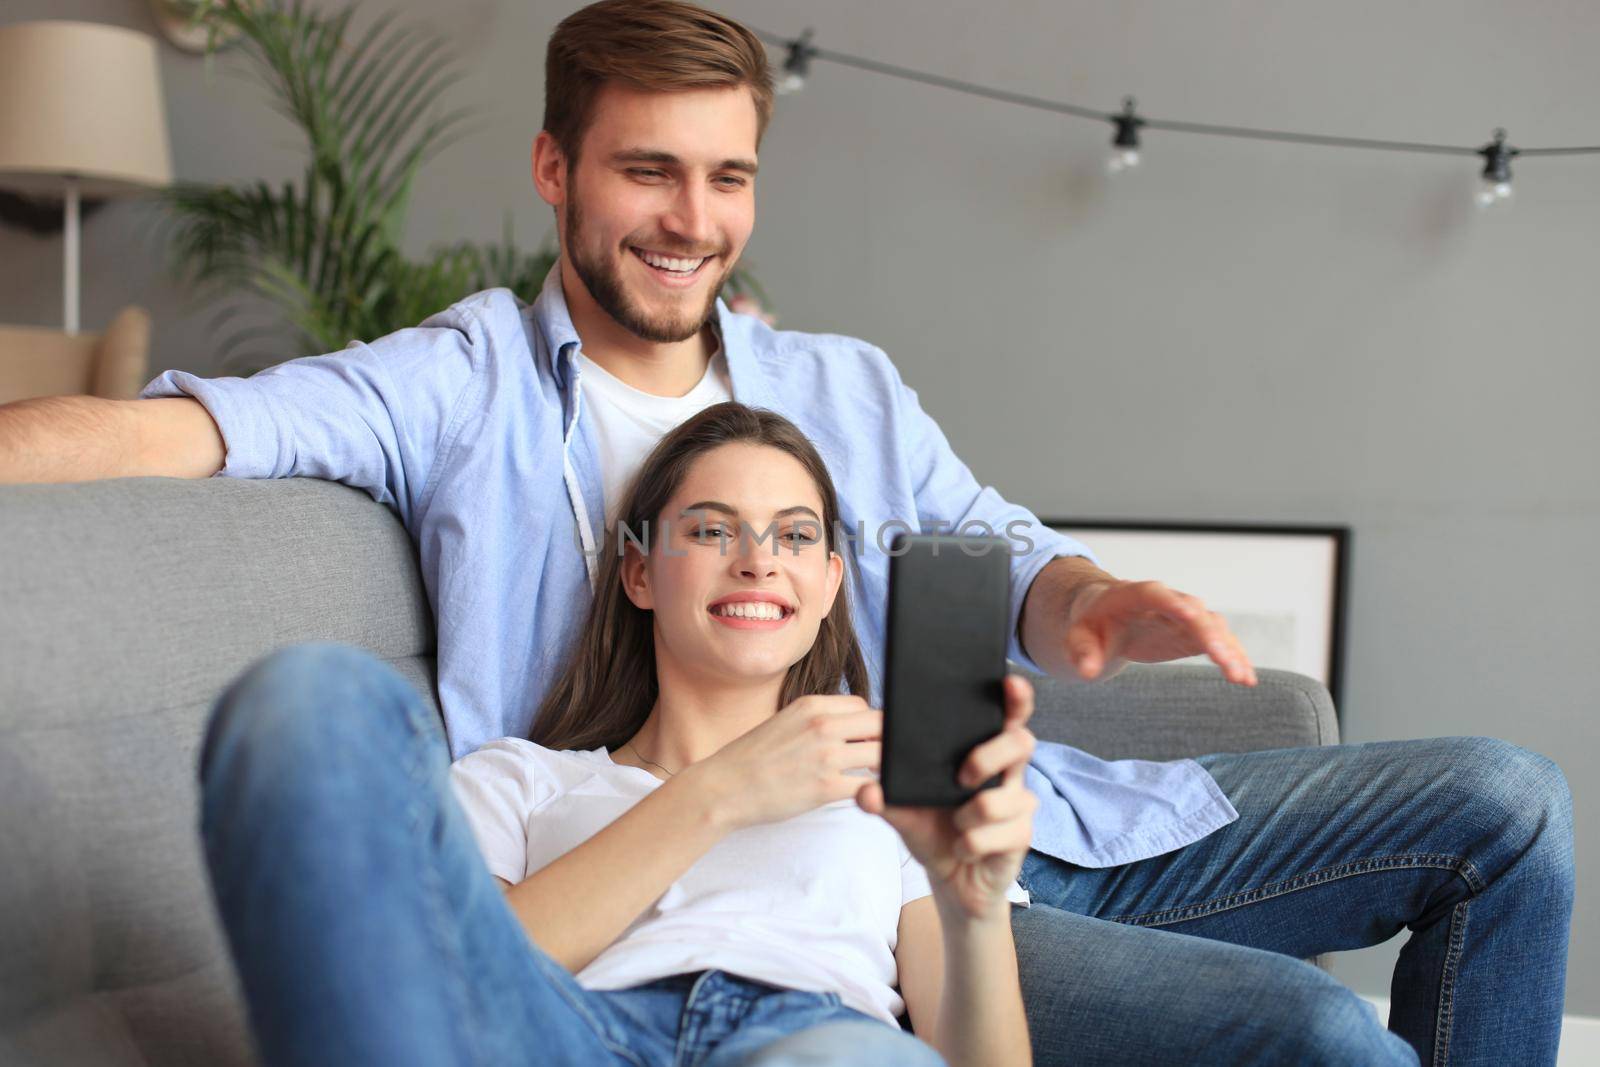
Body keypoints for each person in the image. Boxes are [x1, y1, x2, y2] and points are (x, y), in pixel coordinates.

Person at [0, 0, 1572, 1062]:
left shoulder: (837, 380)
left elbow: (989, 538)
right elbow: (176, 429)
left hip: (1020, 831)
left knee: (1508, 801)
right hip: (807, 885)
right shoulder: (454, 379)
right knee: (1312, 1034)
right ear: (556, 172)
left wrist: (1090, 600)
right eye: (648, 170)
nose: (692, 216)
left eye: (728, 175)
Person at [201, 401, 1036, 1066]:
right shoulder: (518, 780)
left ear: (826, 585)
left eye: (794, 534)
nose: (757, 559)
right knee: (310, 692)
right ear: (639, 573)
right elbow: (450, 975)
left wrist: (977, 910)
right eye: (712, 529)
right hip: (556, 1034)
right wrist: (722, 791)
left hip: (817, 1038)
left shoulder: (895, 804)